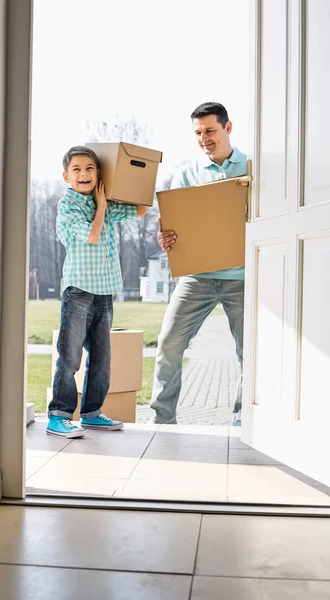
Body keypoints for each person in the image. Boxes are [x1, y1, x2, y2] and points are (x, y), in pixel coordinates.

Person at [150, 102, 246, 426]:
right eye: (198, 133)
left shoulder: (250, 166)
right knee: (168, 344)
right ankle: (162, 421)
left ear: (227, 128)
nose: (204, 138)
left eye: (210, 131)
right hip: (197, 278)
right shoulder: (187, 174)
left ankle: (242, 423)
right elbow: (172, 225)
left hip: (242, 277)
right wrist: (164, 239)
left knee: (250, 353)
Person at [47, 145, 146, 438]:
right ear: (66, 176)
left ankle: (91, 413)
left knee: (101, 358)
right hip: (78, 290)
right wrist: (102, 207)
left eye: (90, 169)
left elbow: (140, 210)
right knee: (70, 356)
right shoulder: (69, 205)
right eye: (76, 170)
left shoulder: (101, 199)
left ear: (99, 173)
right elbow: (92, 235)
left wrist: (133, 177)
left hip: (103, 290)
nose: (84, 174)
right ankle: (58, 415)